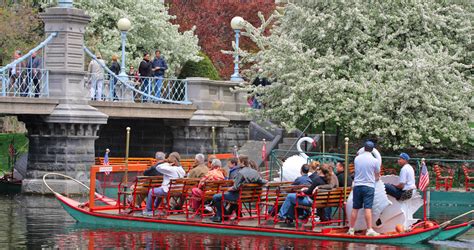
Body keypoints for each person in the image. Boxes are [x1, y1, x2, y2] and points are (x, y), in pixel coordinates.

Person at [210, 155, 267, 222]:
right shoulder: (255, 172)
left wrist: (228, 189)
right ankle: (226, 214)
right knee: (226, 197)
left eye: (239, 161)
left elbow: (235, 188)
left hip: (238, 196)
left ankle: (222, 215)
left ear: (242, 162)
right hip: (250, 197)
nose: (238, 163)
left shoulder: (241, 173)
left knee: (215, 197)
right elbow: (262, 181)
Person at [348, 141, 381, 236]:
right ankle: (369, 230)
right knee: (368, 208)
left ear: (364, 148)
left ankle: (351, 229)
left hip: (357, 185)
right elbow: (377, 174)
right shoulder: (375, 161)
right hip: (369, 186)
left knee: (355, 208)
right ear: (372, 149)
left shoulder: (357, 159)